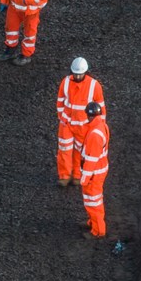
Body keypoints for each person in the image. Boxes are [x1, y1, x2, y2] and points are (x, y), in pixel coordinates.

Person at [56, 57, 106, 187]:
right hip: (67, 123)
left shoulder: (94, 86)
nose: (77, 76)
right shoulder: (65, 82)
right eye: (75, 74)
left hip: (84, 125)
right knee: (64, 149)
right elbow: (60, 101)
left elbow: (101, 109)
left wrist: (100, 126)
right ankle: (64, 176)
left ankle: (77, 175)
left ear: (85, 72)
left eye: (80, 74)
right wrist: (62, 117)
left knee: (81, 151)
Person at [79, 101, 110, 238]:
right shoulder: (101, 126)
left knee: (93, 201)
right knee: (95, 200)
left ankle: (98, 231)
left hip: (94, 173)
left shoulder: (94, 134)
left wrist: (85, 178)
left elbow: (91, 160)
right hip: (99, 170)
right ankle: (93, 222)